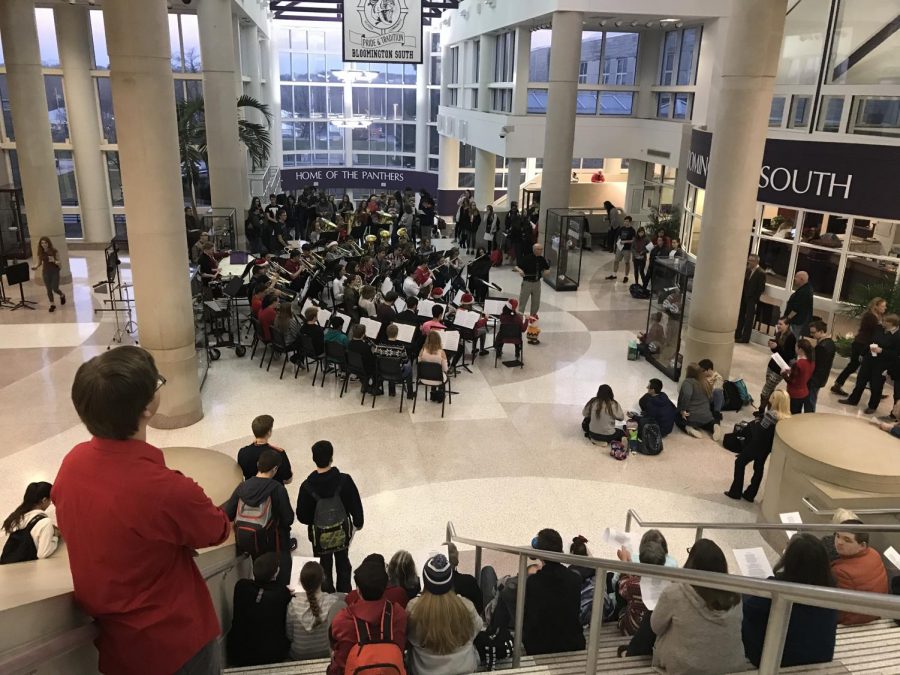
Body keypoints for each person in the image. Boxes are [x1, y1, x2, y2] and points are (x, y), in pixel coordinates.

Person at [52, 346, 232, 674]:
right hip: (176, 643)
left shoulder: (71, 465)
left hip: (118, 645)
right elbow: (217, 529)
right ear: (148, 406)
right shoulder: (166, 489)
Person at [651, 539, 747, 675]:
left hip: (685, 668)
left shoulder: (675, 592)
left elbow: (656, 627)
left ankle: (631, 651)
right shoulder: (735, 595)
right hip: (729, 666)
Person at [742, 534, 837, 668]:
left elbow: (748, 609)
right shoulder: (832, 592)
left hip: (780, 660)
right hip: (820, 657)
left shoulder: (776, 589)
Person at [296, 440, 364, 593]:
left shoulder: (306, 487)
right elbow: (356, 506)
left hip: (319, 537)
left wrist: (317, 520)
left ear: (314, 460)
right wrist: (357, 523)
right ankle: (344, 592)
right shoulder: (345, 480)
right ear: (331, 458)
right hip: (341, 532)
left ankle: (327, 595)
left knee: (323, 567)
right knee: (343, 563)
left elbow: (301, 516)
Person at [328, 553, 408, 675]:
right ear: (385, 587)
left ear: (358, 590)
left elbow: (336, 651)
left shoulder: (342, 620)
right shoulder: (399, 615)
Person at [224, 448, 294, 583]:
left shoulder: (242, 487)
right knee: (281, 574)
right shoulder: (277, 489)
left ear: (258, 465)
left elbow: (228, 514)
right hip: (274, 543)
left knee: (261, 572)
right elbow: (288, 519)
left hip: (251, 542)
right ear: (274, 469)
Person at [406, 553, 482, 675]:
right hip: (465, 670)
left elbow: (408, 636)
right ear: (451, 581)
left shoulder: (413, 608)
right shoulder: (466, 606)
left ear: (425, 581)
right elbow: (477, 629)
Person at [523, 528, 586, 655]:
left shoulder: (533, 582)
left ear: (540, 554)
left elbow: (529, 616)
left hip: (539, 646)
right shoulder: (575, 579)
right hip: (572, 643)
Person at [227, 552, 292, 667]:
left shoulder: (241, 587)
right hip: (272, 655)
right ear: (276, 572)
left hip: (240, 654)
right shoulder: (282, 594)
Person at [725, 389, 791, 502]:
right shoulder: (787, 418)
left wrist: (756, 422)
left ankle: (735, 491)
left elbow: (760, 432)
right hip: (767, 448)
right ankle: (750, 494)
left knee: (740, 462)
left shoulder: (771, 415)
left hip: (756, 444)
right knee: (758, 468)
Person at [839, 313, 900, 414]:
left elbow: (896, 354)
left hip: (882, 364)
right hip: (869, 358)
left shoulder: (897, 336)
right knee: (860, 380)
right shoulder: (879, 328)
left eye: (884, 321)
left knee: (876, 385)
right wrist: (863, 354)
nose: (882, 322)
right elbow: (870, 341)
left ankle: (872, 406)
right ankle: (853, 400)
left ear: (891, 323)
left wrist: (882, 351)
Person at [286, 560, 347, 661]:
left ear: (301, 581)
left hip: (299, 654)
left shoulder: (293, 604)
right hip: (325, 652)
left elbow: (289, 635)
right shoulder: (332, 602)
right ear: (323, 579)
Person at [832, 526, 888, 625]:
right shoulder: (874, 553)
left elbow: (840, 613)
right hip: (876, 613)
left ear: (862, 545)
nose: (839, 542)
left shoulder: (841, 571)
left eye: (847, 540)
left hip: (853, 622)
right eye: (838, 536)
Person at [832, 297, 886, 394]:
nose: (884, 308)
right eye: (882, 306)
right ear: (876, 306)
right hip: (862, 344)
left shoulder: (876, 317)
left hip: (869, 344)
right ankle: (838, 384)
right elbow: (875, 331)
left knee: (867, 366)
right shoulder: (871, 317)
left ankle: (875, 390)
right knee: (858, 365)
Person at [615, 540, 667, 636]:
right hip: (655, 632)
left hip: (632, 629)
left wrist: (624, 561)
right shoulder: (668, 585)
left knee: (619, 589)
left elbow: (622, 584)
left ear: (640, 561)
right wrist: (629, 561)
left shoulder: (632, 585)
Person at [1, 481, 59, 562]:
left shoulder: (18, 518)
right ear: (44, 500)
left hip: (8, 569)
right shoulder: (45, 522)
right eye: (50, 501)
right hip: (26, 572)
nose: (50, 503)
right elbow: (43, 554)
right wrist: (55, 537)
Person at [237, 415, 293, 485]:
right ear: (269, 432)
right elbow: (287, 480)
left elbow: (241, 474)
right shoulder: (278, 453)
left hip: (251, 491)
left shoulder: (242, 452)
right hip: (274, 492)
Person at [758, 317, 797, 416]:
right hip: (772, 364)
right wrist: (773, 347)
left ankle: (761, 410)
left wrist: (777, 347)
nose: (778, 326)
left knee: (765, 391)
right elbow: (776, 351)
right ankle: (768, 412)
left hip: (780, 368)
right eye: (778, 323)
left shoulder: (791, 337)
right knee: (770, 390)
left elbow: (788, 355)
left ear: (787, 325)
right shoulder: (778, 333)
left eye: (781, 324)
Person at [676, 363, 722, 441]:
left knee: (676, 416)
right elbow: (710, 399)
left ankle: (688, 427)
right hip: (707, 417)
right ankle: (715, 425)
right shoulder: (705, 382)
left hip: (691, 416)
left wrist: (683, 410)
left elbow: (687, 394)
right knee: (707, 423)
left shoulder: (688, 382)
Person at [735, 255, 767, 343]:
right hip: (743, 298)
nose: (749, 262)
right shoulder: (748, 270)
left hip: (752, 300)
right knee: (741, 316)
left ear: (756, 262)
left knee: (749, 319)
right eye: (748, 260)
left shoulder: (761, 273)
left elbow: (761, 288)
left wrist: (754, 299)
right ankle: (737, 335)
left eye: (751, 261)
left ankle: (745, 338)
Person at [445, 542, 484, 614]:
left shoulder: (429, 586)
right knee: (487, 570)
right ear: (455, 559)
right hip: (470, 620)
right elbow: (479, 607)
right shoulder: (468, 581)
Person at [30, 236, 66, 312]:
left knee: (55, 288)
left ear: (48, 243)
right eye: (42, 243)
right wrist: (35, 267)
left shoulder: (54, 251)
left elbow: (60, 263)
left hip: (54, 271)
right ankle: (52, 304)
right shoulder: (40, 252)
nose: (44, 244)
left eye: (45, 242)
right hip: (45, 272)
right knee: (48, 289)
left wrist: (54, 261)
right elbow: (39, 263)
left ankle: (62, 295)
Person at [806, 320, 835, 412]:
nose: (811, 335)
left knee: (810, 401)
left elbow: (816, 364)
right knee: (812, 399)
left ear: (821, 332)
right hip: (821, 378)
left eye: (813, 332)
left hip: (815, 378)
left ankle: (808, 418)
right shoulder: (831, 343)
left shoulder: (821, 347)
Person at [515, 243, 551, 317]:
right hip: (527, 283)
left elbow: (547, 269)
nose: (541, 251)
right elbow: (516, 267)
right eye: (539, 249)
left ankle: (533, 318)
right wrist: (520, 271)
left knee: (536, 302)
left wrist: (547, 272)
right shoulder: (527, 258)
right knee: (523, 301)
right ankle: (519, 318)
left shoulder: (542, 259)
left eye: (541, 249)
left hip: (537, 283)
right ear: (534, 250)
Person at [781, 338, 815, 413]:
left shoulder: (798, 364)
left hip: (794, 394)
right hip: (804, 392)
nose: (795, 348)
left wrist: (783, 374)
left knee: (791, 413)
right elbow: (803, 374)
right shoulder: (811, 362)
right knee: (797, 413)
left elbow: (792, 382)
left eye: (796, 347)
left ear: (800, 349)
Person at [348, 324, 382, 395]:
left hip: (353, 367)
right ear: (363, 334)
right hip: (364, 369)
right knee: (378, 368)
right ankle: (374, 388)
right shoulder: (365, 347)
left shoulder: (349, 344)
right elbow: (371, 361)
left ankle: (365, 385)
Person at [783, 271, 814, 339]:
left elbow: (796, 308)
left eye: (796, 277)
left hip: (797, 321)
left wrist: (788, 318)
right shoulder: (805, 289)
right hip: (798, 319)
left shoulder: (805, 292)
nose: (794, 279)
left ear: (802, 279)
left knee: (792, 338)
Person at [607, 216, 636, 282]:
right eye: (625, 221)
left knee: (627, 262)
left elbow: (633, 240)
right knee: (616, 261)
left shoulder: (632, 230)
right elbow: (618, 236)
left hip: (627, 249)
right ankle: (614, 274)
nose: (625, 223)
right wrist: (617, 245)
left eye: (627, 221)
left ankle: (626, 276)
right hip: (620, 247)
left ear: (630, 222)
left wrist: (625, 242)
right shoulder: (621, 228)